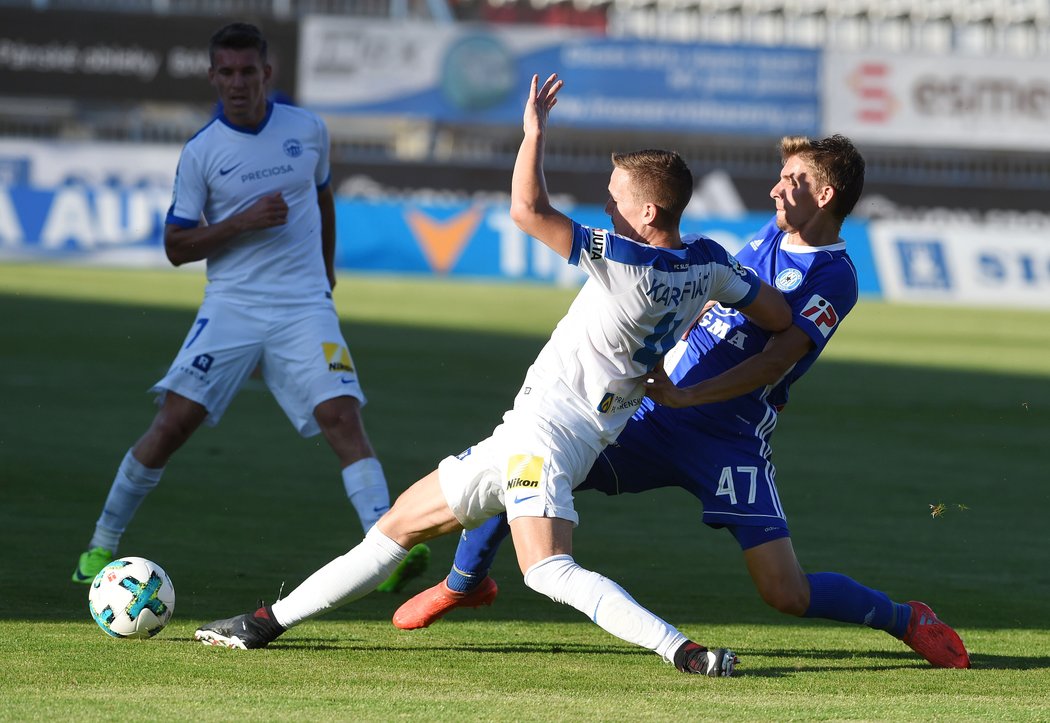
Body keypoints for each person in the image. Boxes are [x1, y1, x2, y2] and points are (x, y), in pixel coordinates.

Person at [192, 73, 793, 677]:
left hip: (550, 437)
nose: (607, 206)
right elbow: (776, 314)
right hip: (541, 434)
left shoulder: (627, 259)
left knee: (547, 571)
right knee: (395, 527)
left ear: (649, 210)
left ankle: (684, 652)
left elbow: (527, 210)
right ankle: (264, 624)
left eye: (615, 198)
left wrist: (533, 132)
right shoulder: (711, 261)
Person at [391, 134, 971, 670]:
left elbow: (776, 361)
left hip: (728, 439)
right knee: (531, 463)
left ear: (824, 194)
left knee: (785, 592)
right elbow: (707, 295)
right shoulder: (767, 234)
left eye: (789, 179)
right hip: (652, 416)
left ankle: (906, 618)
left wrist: (688, 393)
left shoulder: (835, 277)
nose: (774, 188)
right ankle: (466, 583)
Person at [71, 22, 429, 593]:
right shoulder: (202, 154)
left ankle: (383, 555)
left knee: (343, 417)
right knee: (173, 424)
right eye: (226, 73)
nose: (238, 83)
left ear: (267, 72)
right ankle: (101, 544)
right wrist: (240, 222)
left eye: (247, 71)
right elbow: (175, 247)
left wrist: (327, 271)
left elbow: (322, 195)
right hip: (233, 306)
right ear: (214, 77)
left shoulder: (308, 129)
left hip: (304, 306)